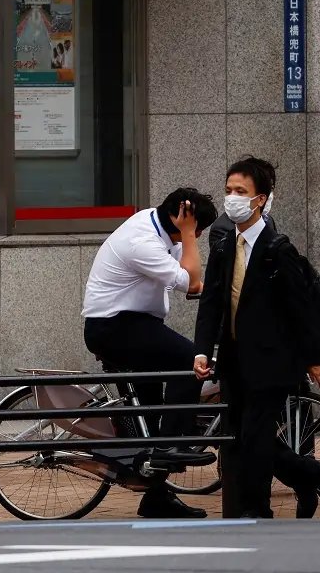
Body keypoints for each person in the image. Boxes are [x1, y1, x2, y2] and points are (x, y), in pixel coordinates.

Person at [194, 156, 320, 519]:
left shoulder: (278, 249)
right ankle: (305, 474)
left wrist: (315, 357)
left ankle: (257, 513)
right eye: (228, 190)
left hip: (272, 362)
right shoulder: (224, 244)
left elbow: (299, 308)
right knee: (241, 438)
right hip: (234, 360)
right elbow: (211, 303)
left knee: (255, 438)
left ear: (261, 199)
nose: (232, 198)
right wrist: (202, 350)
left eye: (241, 191)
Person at [83, 187, 218, 518]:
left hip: (136, 325)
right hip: (114, 327)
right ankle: (170, 447)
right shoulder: (141, 240)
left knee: (151, 417)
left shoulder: (158, 228)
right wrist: (189, 235)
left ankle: (156, 495)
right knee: (190, 359)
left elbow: (190, 278)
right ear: (180, 219)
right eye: (197, 228)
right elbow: (192, 282)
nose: (198, 236)